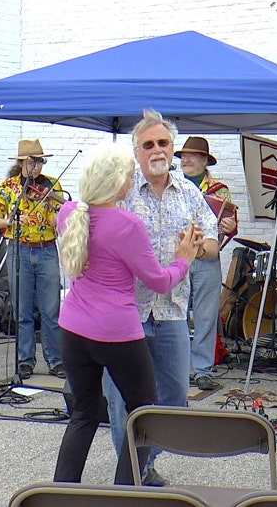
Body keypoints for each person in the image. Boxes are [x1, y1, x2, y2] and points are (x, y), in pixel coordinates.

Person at [52, 144, 201, 484]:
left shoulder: (70, 212)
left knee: (83, 413)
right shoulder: (126, 224)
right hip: (116, 333)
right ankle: (125, 492)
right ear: (117, 183)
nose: (134, 178)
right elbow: (159, 281)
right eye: (130, 174)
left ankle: (62, 489)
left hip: (73, 329)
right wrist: (184, 258)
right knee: (144, 415)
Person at [102, 110, 219, 486]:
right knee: (122, 398)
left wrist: (196, 250)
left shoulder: (189, 192)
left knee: (175, 394)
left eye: (163, 143)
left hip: (171, 310)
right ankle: (132, 473)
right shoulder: (118, 191)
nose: (157, 150)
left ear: (173, 149)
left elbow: (213, 245)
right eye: (148, 144)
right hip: (125, 313)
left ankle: (146, 459)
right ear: (136, 151)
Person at [0, 139, 67, 381]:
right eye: (33, 162)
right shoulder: (8, 187)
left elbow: (59, 218)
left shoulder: (51, 186)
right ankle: (25, 361)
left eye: (40, 161)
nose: (37, 167)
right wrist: (10, 222)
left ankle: (56, 359)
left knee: (51, 310)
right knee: (22, 310)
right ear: (22, 162)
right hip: (18, 249)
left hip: (47, 250)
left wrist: (55, 203)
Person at [175, 136, 238, 391]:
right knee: (175, 313)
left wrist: (230, 227)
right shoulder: (171, 185)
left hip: (207, 259)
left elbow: (229, 226)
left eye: (192, 156)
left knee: (205, 315)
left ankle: (201, 370)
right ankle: (177, 368)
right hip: (178, 256)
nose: (186, 160)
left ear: (204, 160)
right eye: (183, 156)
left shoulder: (219, 190)